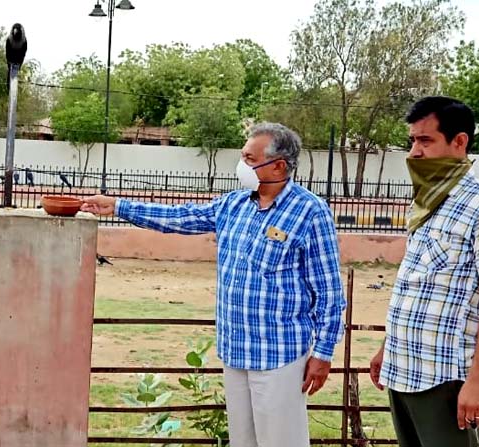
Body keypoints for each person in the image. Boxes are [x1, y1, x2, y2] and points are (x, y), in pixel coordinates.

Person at [82, 122, 346, 447]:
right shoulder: (234, 205)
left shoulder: (310, 212)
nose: (242, 165)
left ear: (278, 166)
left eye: (250, 158)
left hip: (279, 355)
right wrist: (118, 206)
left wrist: (323, 353)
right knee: (243, 442)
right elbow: (180, 218)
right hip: (235, 352)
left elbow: (330, 293)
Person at [369, 96, 479, 447]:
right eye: (412, 141)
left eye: (426, 140)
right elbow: (416, 284)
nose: (414, 152)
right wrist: (388, 346)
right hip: (405, 367)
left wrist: (478, 380)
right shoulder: (427, 201)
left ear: (459, 141)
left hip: (448, 376)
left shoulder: (477, 204)